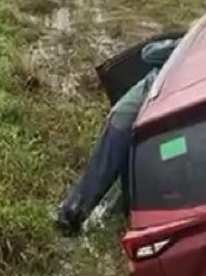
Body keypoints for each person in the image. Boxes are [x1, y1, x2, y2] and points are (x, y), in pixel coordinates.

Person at [55, 36, 182, 237]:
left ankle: (104, 224)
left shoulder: (192, 56)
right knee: (103, 173)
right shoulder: (185, 50)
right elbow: (148, 53)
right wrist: (181, 43)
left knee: (129, 178)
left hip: (151, 129)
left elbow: (148, 53)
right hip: (128, 122)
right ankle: (69, 218)